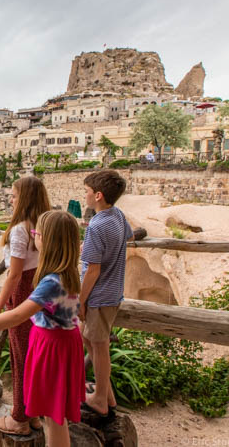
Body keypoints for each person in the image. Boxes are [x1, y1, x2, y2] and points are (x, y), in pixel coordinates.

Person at [0, 211, 85, 447]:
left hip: (52, 349)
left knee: (53, 418)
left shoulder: (51, 282)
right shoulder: (68, 273)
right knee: (54, 414)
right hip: (62, 344)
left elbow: (17, 315)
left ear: (48, 241)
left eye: (36, 233)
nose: (33, 237)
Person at [0, 176, 51, 434]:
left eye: (14, 195)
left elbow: (14, 275)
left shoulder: (19, 230)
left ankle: (19, 419)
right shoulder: (43, 225)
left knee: (20, 356)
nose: (10, 199)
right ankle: (33, 414)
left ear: (23, 198)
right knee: (32, 355)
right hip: (39, 289)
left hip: (22, 292)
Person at [79, 169, 133, 418]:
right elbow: (128, 237)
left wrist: (80, 300)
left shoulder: (97, 226)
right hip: (113, 292)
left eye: (87, 191)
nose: (85, 195)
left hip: (98, 296)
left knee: (98, 347)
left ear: (98, 195)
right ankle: (107, 394)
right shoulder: (117, 216)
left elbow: (92, 269)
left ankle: (100, 398)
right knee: (91, 341)